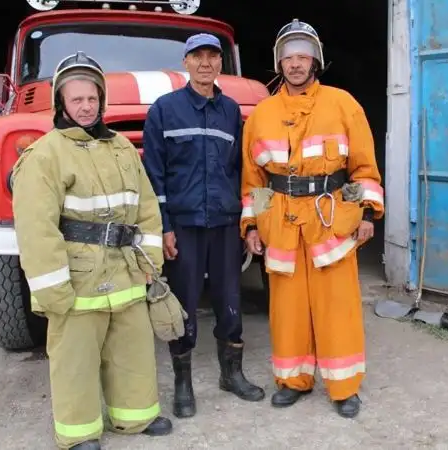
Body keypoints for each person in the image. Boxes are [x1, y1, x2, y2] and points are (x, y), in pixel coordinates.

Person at [11, 52, 173, 450]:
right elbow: (36, 227)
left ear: (102, 99)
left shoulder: (119, 147)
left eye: (92, 98)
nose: (86, 107)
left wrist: (151, 263)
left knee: (131, 350)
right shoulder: (45, 154)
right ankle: (79, 433)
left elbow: (147, 208)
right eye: (76, 99)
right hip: (77, 277)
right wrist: (52, 287)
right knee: (75, 361)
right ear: (61, 104)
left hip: (127, 270)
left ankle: (135, 416)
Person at [240, 19, 385, 418]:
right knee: (287, 310)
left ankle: (344, 387)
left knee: (337, 308)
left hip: (331, 222)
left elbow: (361, 168)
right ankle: (293, 380)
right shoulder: (262, 114)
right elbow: (255, 180)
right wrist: (252, 224)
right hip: (282, 226)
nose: (295, 64)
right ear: (278, 64)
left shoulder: (343, 104)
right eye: (288, 57)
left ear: (315, 61)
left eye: (303, 56)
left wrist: (368, 212)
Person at [142, 33, 265, 419]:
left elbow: (241, 170)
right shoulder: (164, 110)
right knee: (184, 306)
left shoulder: (231, 112)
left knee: (230, 302)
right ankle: (183, 384)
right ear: (187, 62)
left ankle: (232, 374)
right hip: (184, 224)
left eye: (213, 56)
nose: (206, 63)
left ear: (220, 64)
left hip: (225, 223)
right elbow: (153, 175)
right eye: (198, 57)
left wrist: (247, 222)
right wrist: (163, 227)